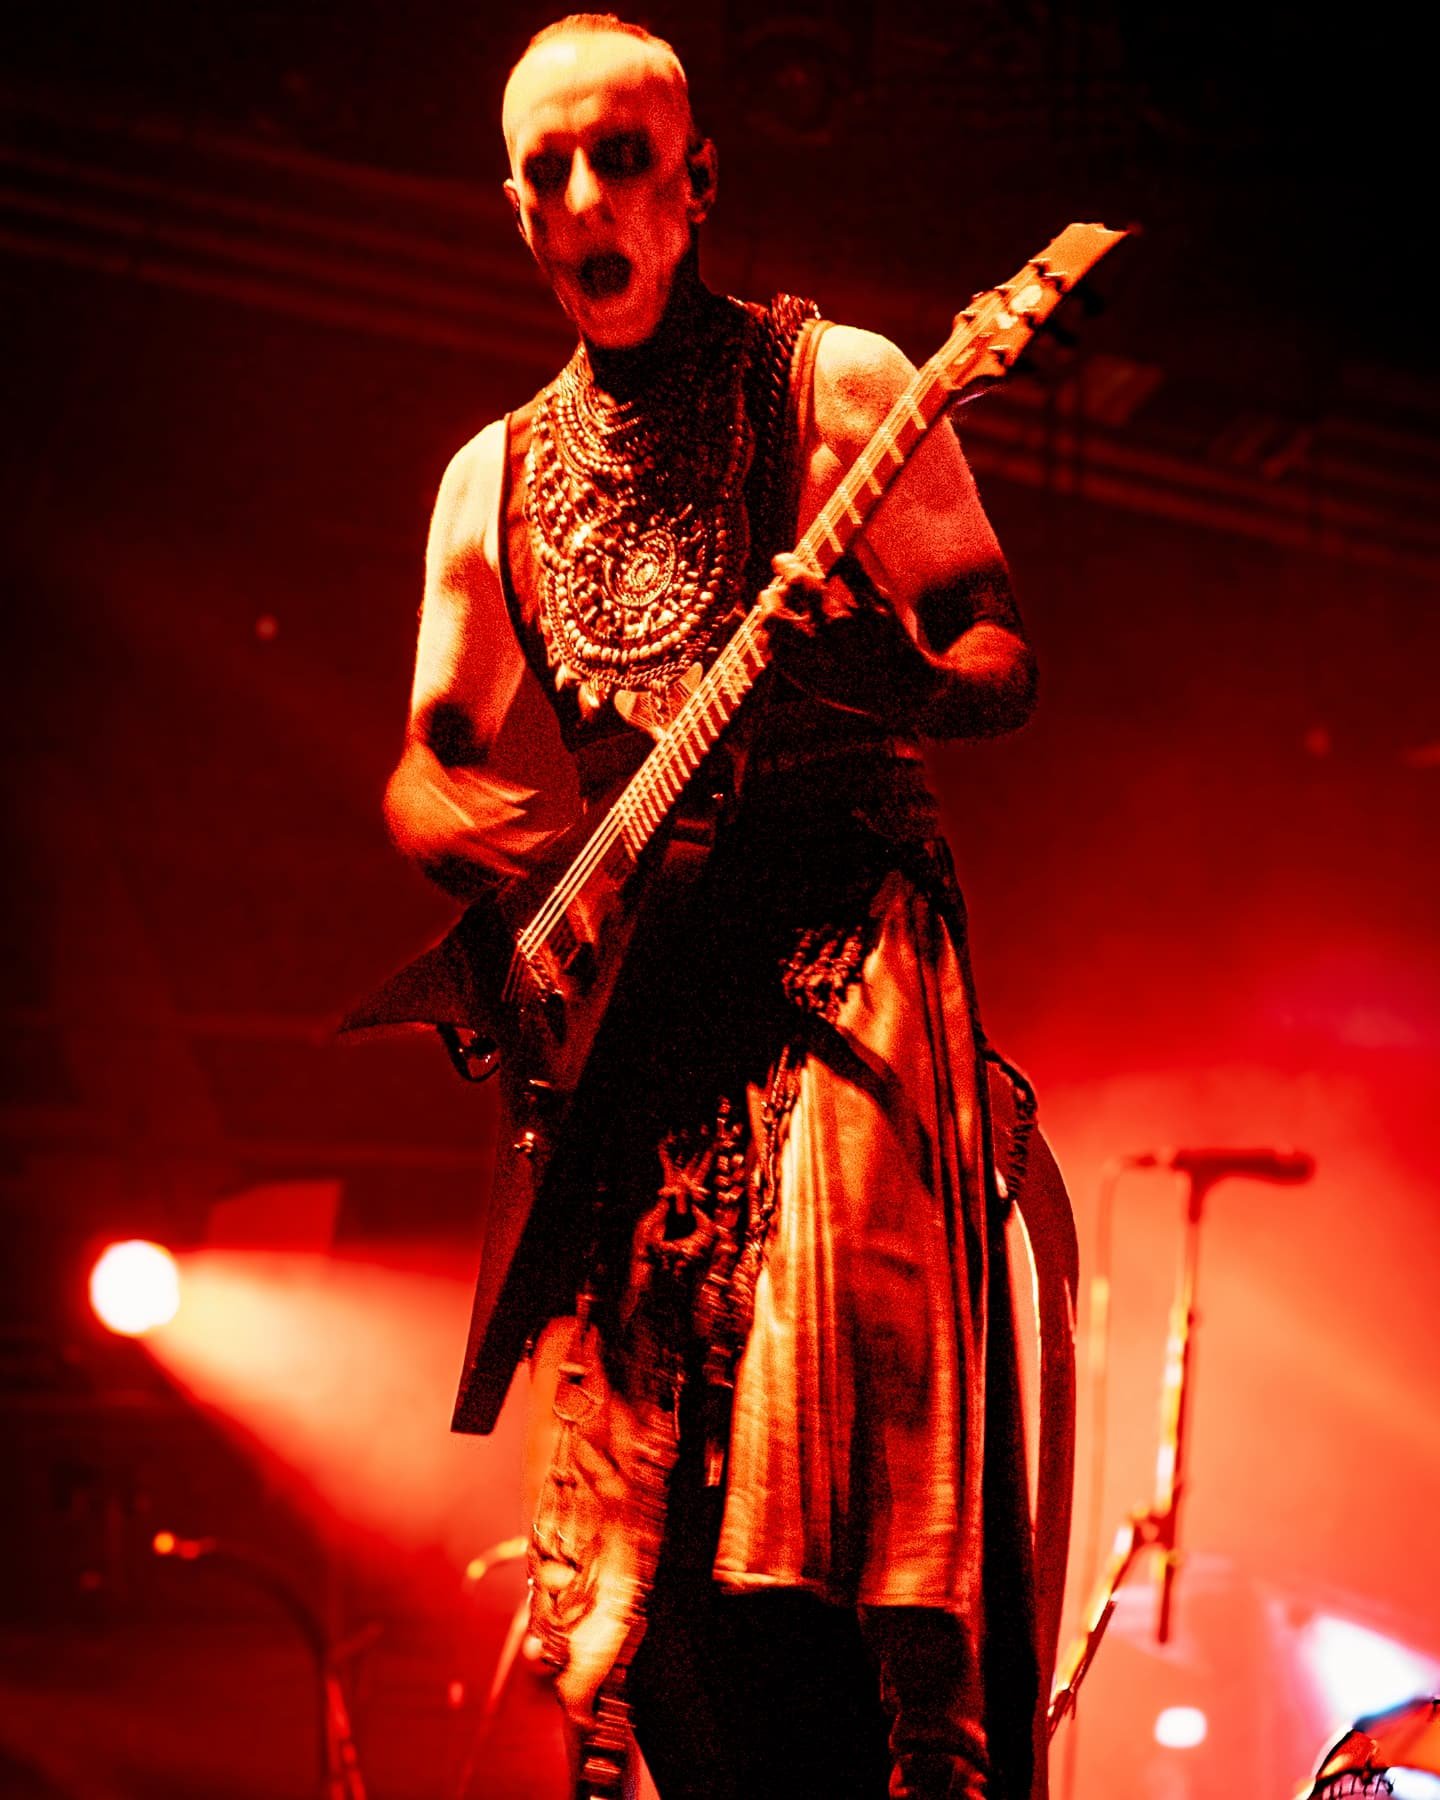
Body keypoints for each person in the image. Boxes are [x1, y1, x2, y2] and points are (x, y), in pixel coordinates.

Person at [375, 15, 1073, 1798]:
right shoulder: (487, 477)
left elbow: (996, 656)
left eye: (621, 160)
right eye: (547, 171)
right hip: (641, 1004)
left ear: (699, 185)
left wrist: (865, 677)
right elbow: (430, 752)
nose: (583, 200)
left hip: (843, 939)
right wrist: (447, 818)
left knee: (844, 1448)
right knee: (649, 1570)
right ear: (513, 208)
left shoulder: (837, 382)